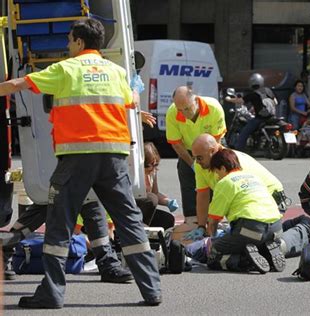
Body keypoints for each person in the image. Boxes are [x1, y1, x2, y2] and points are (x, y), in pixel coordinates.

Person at [0, 18, 162, 308]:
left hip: (76, 159)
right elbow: (131, 101)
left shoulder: (66, 69)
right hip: (114, 158)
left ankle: (51, 293)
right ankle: (152, 291)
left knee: (60, 225)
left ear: (78, 42)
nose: (66, 44)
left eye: (69, 39)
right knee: (129, 222)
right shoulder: (117, 72)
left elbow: (17, 84)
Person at [185, 148, 310, 273]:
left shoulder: (225, 182)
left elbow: (213, 221)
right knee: (246, 239)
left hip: (250, 230)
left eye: (217, 172)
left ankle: (246, 261)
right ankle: (265, 249)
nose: (217, 177)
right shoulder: (253, 177)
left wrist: (212, 240)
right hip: (276, 228)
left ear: (223, 168)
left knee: (214, 254)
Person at [185, 133, 290, 241]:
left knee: (251, 235)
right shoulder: (201, 166)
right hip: (255, 206)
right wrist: (201, 227)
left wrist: (213, 235)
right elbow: (202, 195)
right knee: (250, 234)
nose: (197, 162)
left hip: (270, 197)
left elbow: (247, 199)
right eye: (195, 158)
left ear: (212, 151)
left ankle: (291, 235)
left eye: (199, 158)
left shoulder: (232, 161)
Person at [2, 202, 133, 283]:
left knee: (92, 208)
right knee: (45, 205)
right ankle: (108, 264)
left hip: (76, 168)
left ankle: (108, 264)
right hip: (65, 169)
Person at [165, 86, 226, 225]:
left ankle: (216, 217)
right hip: (187, 151)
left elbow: (216, 141)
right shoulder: (172, 113)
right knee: (187, 179)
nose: (184, 113)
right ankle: (192, 220)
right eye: (180, 110)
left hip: (212, 148)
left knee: (217, 181)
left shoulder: (214, 108)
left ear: (196, 101)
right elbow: (176, 144)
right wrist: (193, 164)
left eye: (187, 108)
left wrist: (208, 162)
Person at [226, 73, 277, 151]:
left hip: (260, 118)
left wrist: (229, 99)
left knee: (244, 131)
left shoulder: (253, 94)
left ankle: (238, 150)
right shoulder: (267, 90)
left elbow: (240, 101)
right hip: (272, 116)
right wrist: (254, 110)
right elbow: (275, 102)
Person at [135, 142, 178, 229]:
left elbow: (156, 193)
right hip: (135, 209)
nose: (152, 168)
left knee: (168, 219)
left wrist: (168, 202)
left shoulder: (153, 173)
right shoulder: (134, 174)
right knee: (151, 199)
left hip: (147, 212)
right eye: (148, 165)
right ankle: (141, 230)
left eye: (155, 164)